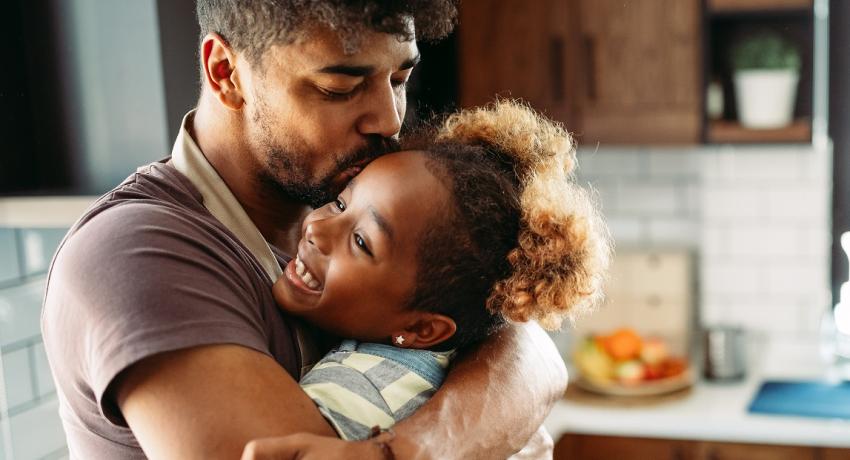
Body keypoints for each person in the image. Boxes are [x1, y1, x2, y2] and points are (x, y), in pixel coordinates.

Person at [41, 2, 568, 459]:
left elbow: (524, 342)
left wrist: (413, 449)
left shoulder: (348, 195)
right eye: (339, 87)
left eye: (400, 80)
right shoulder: (140, 253)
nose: (388, 119)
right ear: (226, 72)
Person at [274, 100, 610, 442]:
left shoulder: (353, 396)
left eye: (361, 242)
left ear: (421, 328)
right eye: (341, 203)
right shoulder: (438, 366)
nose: (317, 229)